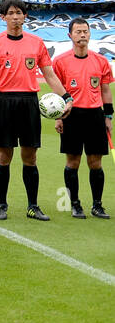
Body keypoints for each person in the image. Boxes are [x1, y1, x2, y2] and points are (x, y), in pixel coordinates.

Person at [0, 0, 69, 220]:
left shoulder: (36, 42)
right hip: (5, 102)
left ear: (25, 16)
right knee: (4, 156)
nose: (15, 17)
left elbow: (49, 74)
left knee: (30, 157)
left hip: (30, 101)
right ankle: (1, 205)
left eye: (19, 13)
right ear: (3, 18)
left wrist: (67, 97)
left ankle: (33, 206)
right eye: (10, 13)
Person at [52, 17, 111, 219]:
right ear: (70, 35)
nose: (82, 35)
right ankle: (75, 204)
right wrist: (59, 117)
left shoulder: (101, 61)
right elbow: (57, 92)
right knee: (73, 162)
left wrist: (108, 116)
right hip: (72, 115)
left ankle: (97, 205)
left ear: (90, 34)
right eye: (78, 32)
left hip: (95, 115)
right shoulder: (60, 62)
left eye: (85, 31)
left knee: (96, 163)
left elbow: (105, 89)